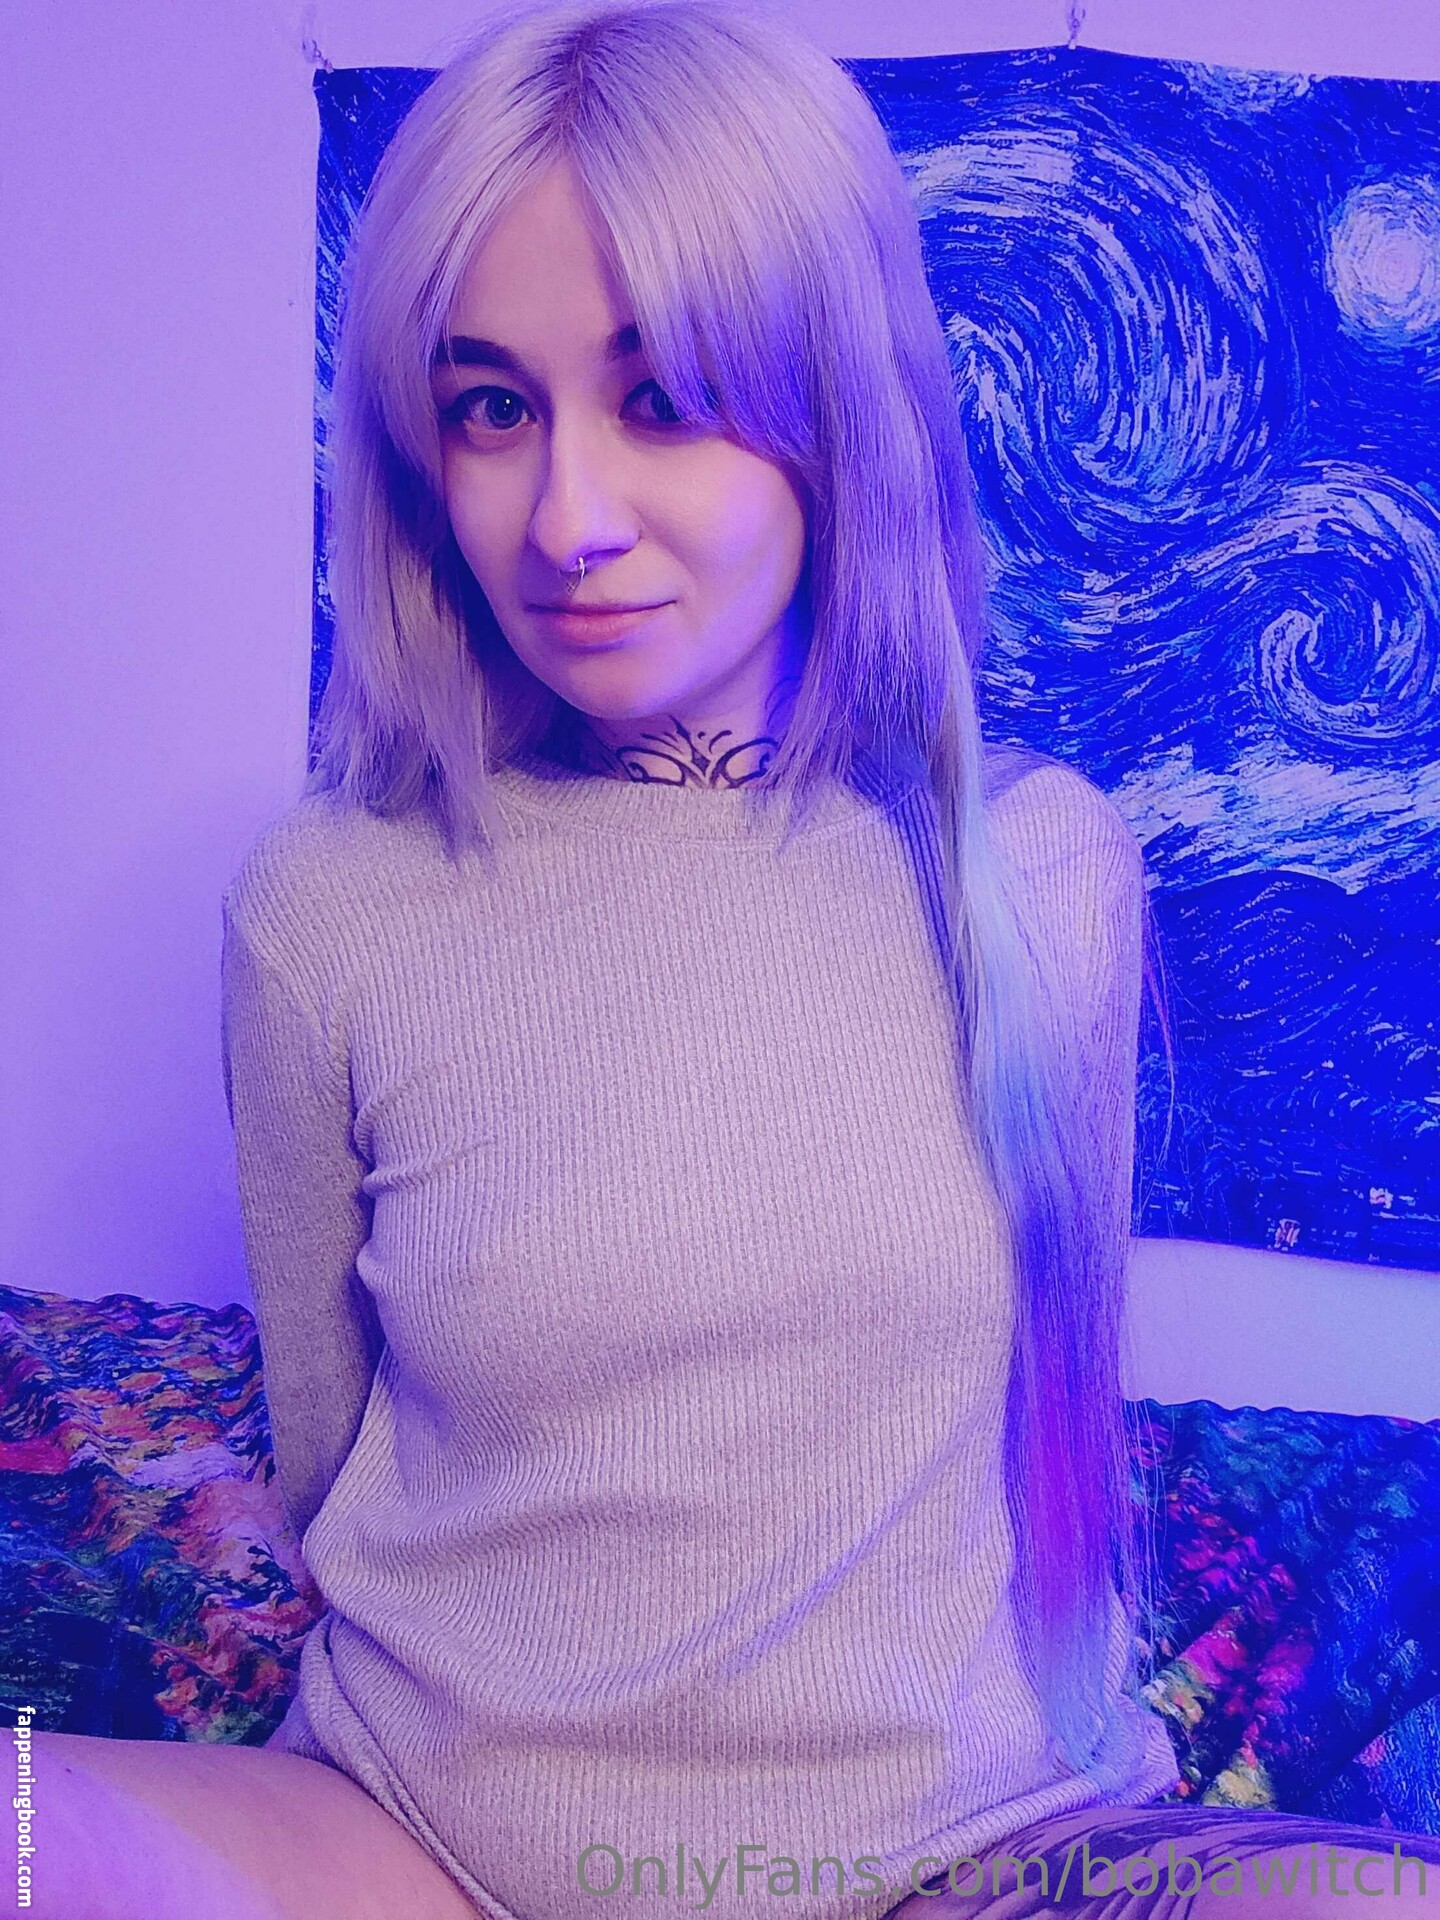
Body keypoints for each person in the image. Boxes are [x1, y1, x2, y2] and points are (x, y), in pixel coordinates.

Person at [31, 2, 1440, 1916]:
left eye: (666, 396)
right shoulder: (328, 902)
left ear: (833, 404)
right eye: (492, 408)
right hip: (419, 1841)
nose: (569, 521)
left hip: (960, 1858)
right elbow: (326, 1449)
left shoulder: (1041, 873)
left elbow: (1043, 1423)